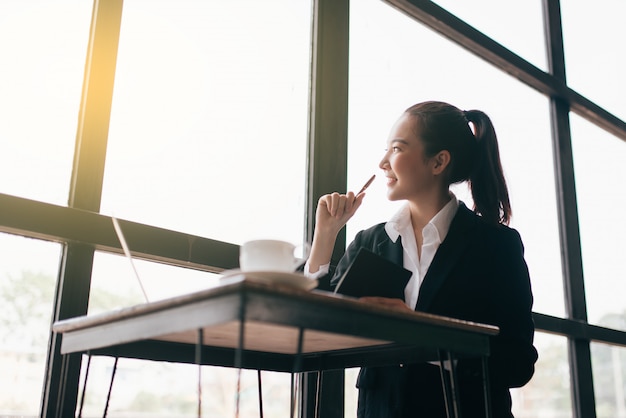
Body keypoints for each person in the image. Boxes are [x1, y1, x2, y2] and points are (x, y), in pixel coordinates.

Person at [305, 101, 538, 417]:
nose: (383, 162)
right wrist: (326, 235)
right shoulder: (369, 243)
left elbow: (518, 362)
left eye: (397, 149)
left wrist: (421, 334)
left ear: (439, 161)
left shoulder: (496, 245)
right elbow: (318, 329)